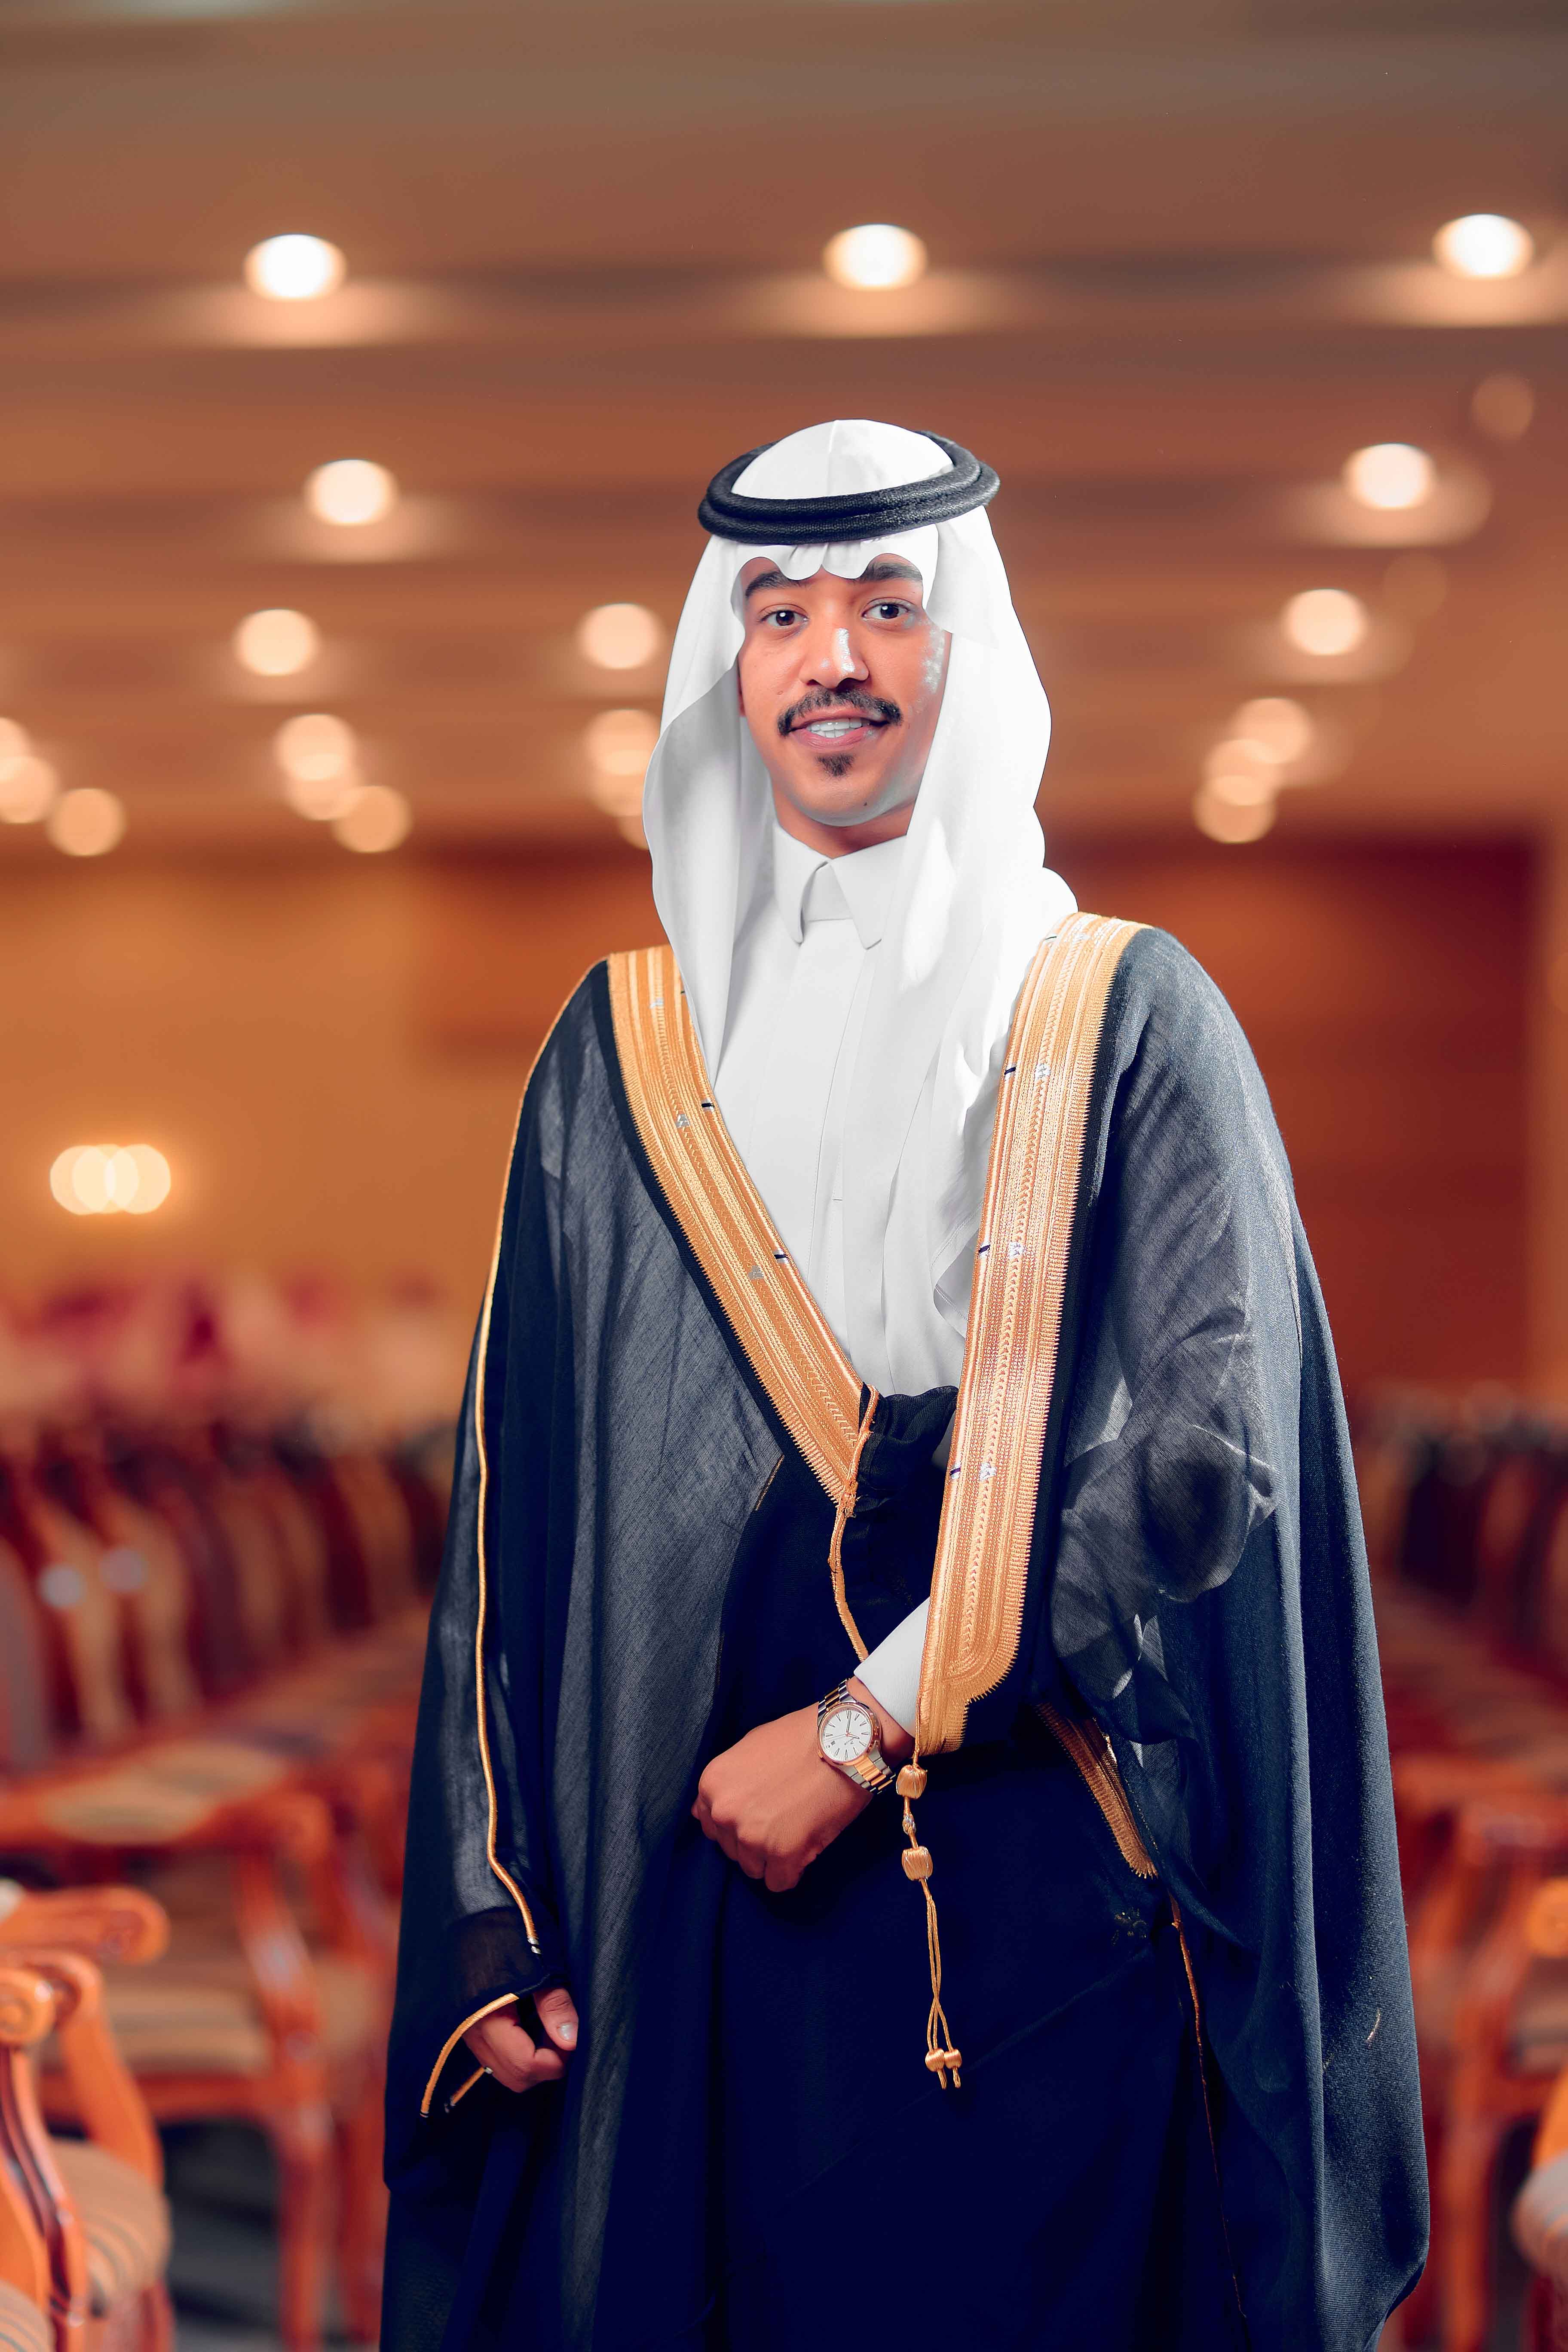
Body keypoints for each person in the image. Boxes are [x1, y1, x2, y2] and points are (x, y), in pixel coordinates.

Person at [383, 420, 1427, 2352]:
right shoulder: (618, 1048)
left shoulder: (1130, 1010)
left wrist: (867, 1727)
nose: (831, 659)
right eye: (780, 614)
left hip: (1038, 1870)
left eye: (885, 607)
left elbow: (1204, 1457)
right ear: (730, 668)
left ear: (974, 655)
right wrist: (494, 1907)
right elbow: (519, 1512)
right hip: (704, 1885)